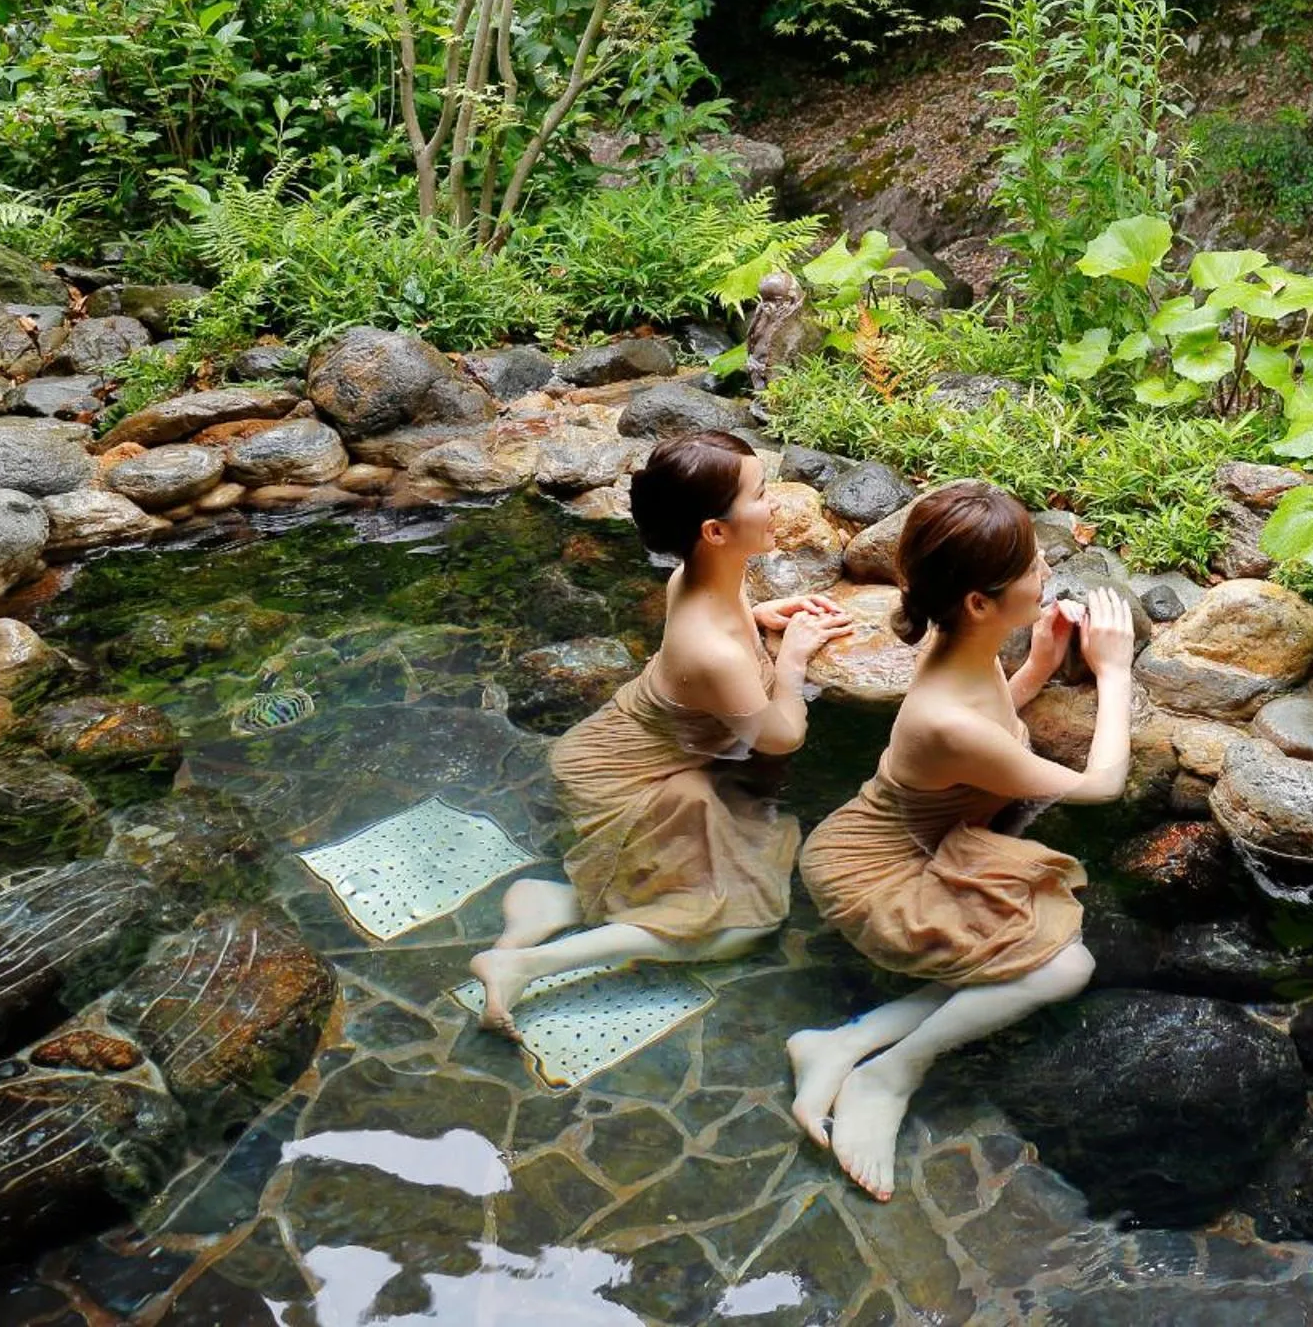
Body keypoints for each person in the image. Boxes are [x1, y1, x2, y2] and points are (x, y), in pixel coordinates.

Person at [788, 479, 1134, 1201]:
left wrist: (1036, 665)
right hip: (882, 871)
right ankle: (893, 1072)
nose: (1048, 574)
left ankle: (847, 1041)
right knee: (1063, 967)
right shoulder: (946, 718)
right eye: (1034, 567)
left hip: (912, 837)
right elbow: (1099, 785)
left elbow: (987, 719)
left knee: (1010, 946)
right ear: (978, 601)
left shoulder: (954, 635)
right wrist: (1115, 672)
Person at [470, 430, 852, 1032]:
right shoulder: (713, 648)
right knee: (743, 925)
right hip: (624, 779)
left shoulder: (702, 575)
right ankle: (529, 963)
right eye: (759, 494)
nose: (774, 502)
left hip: (628, 750)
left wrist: (757, 619)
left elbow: (710, 642)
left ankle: (560, 903)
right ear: (715, 531)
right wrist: (795, 655)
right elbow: (780, 736)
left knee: (728, 868)